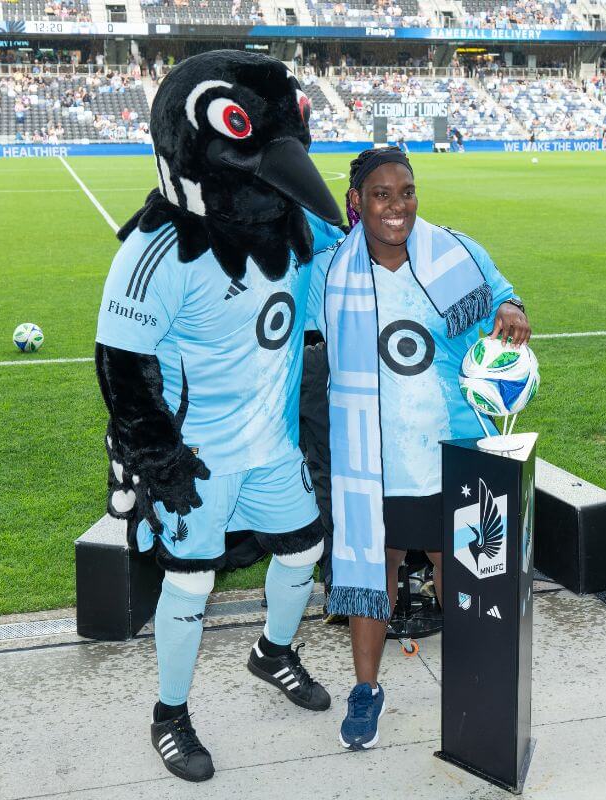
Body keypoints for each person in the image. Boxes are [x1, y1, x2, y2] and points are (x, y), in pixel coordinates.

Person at [95, 50, 344, 783]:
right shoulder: (156, 250)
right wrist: (156, 458)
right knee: (193, 582)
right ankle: (170, 714)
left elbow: (353, 262)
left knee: (302, 550)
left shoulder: (292, 230)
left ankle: (272, 651)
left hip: (269, 448)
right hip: (198, 458)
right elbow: (120, 365)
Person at [306, 147, 530, 750]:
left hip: (449, 447)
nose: (397, 205)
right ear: (357, 202)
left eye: (406, 191)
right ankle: (366, 690)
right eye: (381, 194)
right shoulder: (326, 270)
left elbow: (502, 294)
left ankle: (477, 680)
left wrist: (511, 308)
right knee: (373, 570)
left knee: (458, 567)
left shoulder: (456, 253)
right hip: (372, 460)